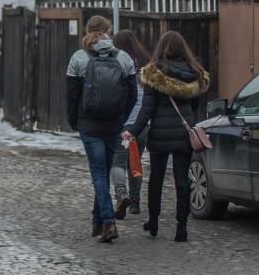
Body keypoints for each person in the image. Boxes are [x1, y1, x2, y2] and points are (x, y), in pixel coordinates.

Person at [122, 31, 210, 242]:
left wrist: (132, 131)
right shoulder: (194, 72)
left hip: (160, 134)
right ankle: (182, 228)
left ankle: (153, 222)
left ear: (161, 47)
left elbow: (147, 110)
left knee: (157, 180)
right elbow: (196, 105)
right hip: (183, 133)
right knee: (182, 180)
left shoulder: (154, 73)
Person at [66, 15, 137, 243]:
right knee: (104, 171)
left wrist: (74, 121)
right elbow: (133, 95)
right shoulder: (124, 58)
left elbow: (72, 95)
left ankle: (107, 222)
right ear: (109, 31)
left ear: (86, 31)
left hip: (88, 123)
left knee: (98, 172)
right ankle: (97, 221)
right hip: (113, 123)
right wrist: (121, 118)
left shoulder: (78, 58)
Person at [110, 30, 151, 219]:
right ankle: (135, 202)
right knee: (135, 161)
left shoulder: (117, 63)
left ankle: (121, 195)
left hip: (123, 123)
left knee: (118, 162)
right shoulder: (145, 64)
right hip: (142, 124)